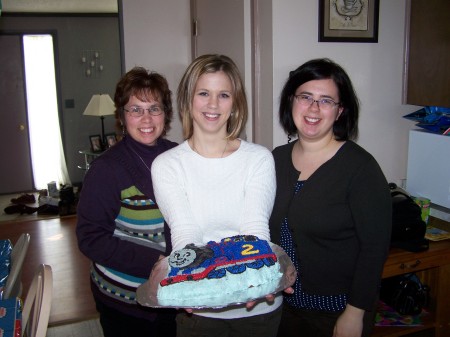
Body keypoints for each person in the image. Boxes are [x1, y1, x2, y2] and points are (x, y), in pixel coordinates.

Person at [151, 54, 282, 337]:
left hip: (257, 306)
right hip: (200, 308)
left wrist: (254, 281)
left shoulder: (258, 159)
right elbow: (186, 234)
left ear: (235, 103)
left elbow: (255, 231)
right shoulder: (167, 165)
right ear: (188, 99)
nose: (213, 104)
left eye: (223, 95)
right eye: (204, 93)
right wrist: (201, 286)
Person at [269, 58, 392, 337]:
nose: (314, 108)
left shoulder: (360, 168)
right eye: (306, 97)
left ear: (340, 111)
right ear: (292, 101)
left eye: (326, 100)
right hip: (281, 308)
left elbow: (374, 250)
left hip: (336, 311)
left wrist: (355, 312)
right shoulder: (274, 159)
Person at [76, 67, 178, 337]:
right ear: (122, 116)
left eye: (154, 108)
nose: (146, 118)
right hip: (123, 298)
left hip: (172, 292)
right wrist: (155, 261)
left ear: (165, 113)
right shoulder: (107, 169)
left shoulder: (179, 156)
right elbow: (90, 237)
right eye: (135, 109)